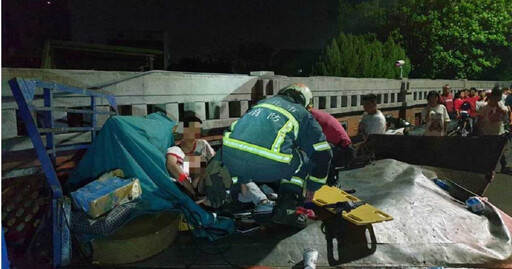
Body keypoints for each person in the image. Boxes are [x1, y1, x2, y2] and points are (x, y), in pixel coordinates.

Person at [221, 83, 332, 228]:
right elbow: (322, 152)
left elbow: (242, 136)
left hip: (231, 158)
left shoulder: (260, 105)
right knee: (302, 159)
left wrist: (241, 177)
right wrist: (313, 185)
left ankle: (236, 199)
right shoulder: (301, 113)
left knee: (244, 158)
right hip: (267, 164)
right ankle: (286, 210)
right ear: (305, 101)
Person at [166, 115, 273, 212]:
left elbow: (215, 161)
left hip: (216, 181)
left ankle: (263, 200)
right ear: (185, 130)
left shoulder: (202, 143)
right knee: (196, 158)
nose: (196, 132)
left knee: (240, 179)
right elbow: (171, 164)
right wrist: (189, 188)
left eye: (198, 129)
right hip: (198, 185)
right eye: (193, 129)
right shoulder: (176, 149)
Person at [309, 107, 355, 183]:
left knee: (316, 148)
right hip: (342, 149)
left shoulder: (313, 118)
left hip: (343, 151)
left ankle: (328, 180)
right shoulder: (315, 114)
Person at [476, 87, 512, 174]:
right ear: (492, 97)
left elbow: (505, 115)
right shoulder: (484, 107)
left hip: (500, 132)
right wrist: (479, 131)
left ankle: (504, 167)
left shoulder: (500, 104)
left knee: (502, 151)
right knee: (488, 152)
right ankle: (487, 168)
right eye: (496, 98)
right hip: (488, 133)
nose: (498, 100)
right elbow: (479, 120)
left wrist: (498, 108)